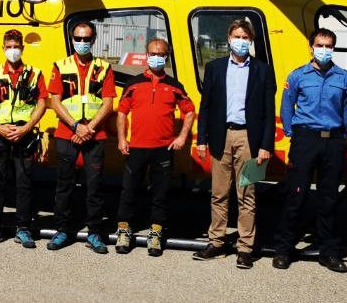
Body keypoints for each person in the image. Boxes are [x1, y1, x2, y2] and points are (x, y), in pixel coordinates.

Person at [195, 18, 276, 268]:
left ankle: (245, 248)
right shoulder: (215, 68)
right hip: (222, 136)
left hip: (249, 139)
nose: (241, 42)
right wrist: (201, 139)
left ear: (251, 41)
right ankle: (217, 242)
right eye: (237, 37)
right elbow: (206, 105)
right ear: (229, 39)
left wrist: (265, 146)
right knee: (219, 194)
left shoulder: (263, 70)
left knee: (247, 194)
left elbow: (268, 111)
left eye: (245, 38)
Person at [274, 29, 347, 273]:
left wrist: (339, 136)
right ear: (311, 47)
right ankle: (283, 249)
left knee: (328, 198)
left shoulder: (343, 78)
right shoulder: (298, 75)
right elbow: (287, 104)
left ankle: (328, 251)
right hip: (305, 140)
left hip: (333, 141)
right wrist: (292, 133)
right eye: (320, 44)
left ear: (334, 48)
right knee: (295, 195)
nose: (324, 49)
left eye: (329, 45)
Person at [114, 38, 196, 256]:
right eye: (153, 53)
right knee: (128, 191)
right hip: (137, 148)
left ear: (167, 57)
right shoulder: (133, 84)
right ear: (146, 55)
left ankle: (156, 233)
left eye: (161, 54)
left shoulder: (175, 86)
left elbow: (189, 111)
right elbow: (122, 112)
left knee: (160, 193)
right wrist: (122, 139)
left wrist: (182, 137)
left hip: (163, 149)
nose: (157, 57)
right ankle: (124, 230)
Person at [46, 20, 116, 253]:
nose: (82, 43)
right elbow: (54, 101)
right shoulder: (60, 66)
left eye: (87, 39)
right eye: (78, 38)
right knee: (63, 185)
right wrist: (76, 126)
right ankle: (62, 230)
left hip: (94, 135)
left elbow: (108, 103)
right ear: (72, 39)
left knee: (94, 187)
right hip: (68, 134)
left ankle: (94, 233)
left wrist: (89, 128)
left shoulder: (104, 68)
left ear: (94, 40)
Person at [0, 28, 47, 248]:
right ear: (3, 48)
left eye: (16, 47)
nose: (13, 51)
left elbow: (43, 103)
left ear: (22, 48)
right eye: (9, 47)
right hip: (0, 133)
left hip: (24, 133)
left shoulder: (35, 73)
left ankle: (23, 228)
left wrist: (26, 128)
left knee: (24, 182)